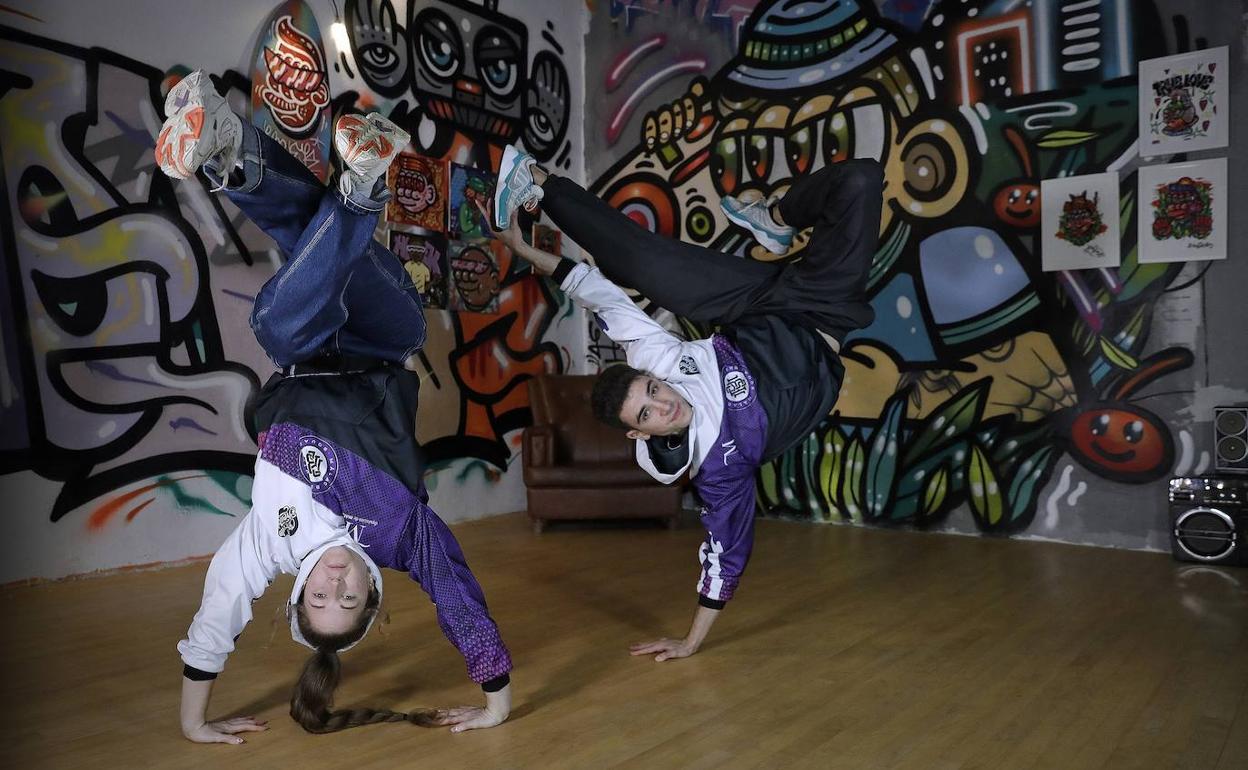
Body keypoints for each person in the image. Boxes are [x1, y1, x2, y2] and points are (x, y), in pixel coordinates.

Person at [156, 71, 512, 743]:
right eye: (349, 598)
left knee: (281, 315)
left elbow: (221, 608)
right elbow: (457, 597)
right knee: (310, 256)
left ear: (298, 593)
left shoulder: (270, 541)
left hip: (307, 340)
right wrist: (494, 699)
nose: (337, 582)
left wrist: (192, 721)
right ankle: (324, 183)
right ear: (373, 596)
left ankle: (258, 156)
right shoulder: (402, 537)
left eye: (320, 596)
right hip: (385, 336)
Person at [489, 145, 882, 662]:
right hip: (823, 312)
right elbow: (724, 558)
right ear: (641, 433)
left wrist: (524, 249)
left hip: (756, 305)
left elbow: (596, 292)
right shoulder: (719, 469)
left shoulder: (662, 363)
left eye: (654, 390)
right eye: (648, 413)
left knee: (643, 262)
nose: (664, 403)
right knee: (860, 180)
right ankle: (779, 220)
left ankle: (540, 179)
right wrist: (690, 642)